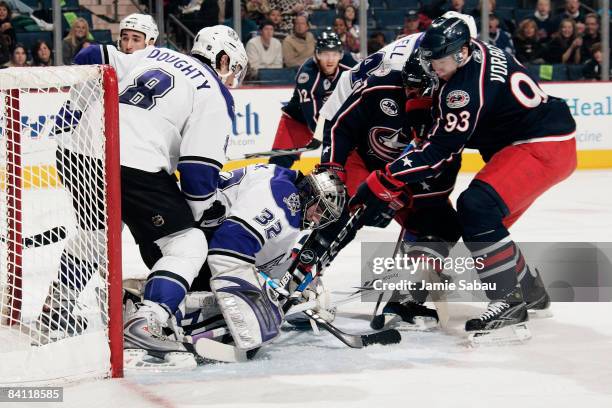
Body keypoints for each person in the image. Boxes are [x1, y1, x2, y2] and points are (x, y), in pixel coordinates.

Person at [351, 16, 576, 342]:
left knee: (477, 208)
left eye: (439, 60)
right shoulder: (477, 52)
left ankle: (508, 304)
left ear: (460, 53)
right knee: (483, 226)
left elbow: (438, 152)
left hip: (542, 146)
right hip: (538, 141)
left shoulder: (463, 92)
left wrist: (385, 178)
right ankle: (529, 291)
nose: (434, 66)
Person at [44, 26, 248, 356]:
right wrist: (193, 216)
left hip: (76, 149)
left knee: (97, 231)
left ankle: (56, 309)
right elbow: (198, 174)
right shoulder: (214, 91)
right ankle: (148, 320)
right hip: (131, 161)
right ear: (224, 58)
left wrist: (76, 108)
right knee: (187, 242)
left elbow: (89, 56)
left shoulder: (153, 53)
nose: (232, 77)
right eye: (233, 68)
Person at [269, 31, 356, 169]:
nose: (330, 59)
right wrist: (321, 136)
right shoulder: (308, 74)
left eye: (334, 54)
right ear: (317, 54)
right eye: (325, 54)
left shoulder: (349, 64)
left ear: (340, 54)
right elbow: (312, 115)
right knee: (279, 166)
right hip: (297, 121)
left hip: (335, 120)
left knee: (350, 159)